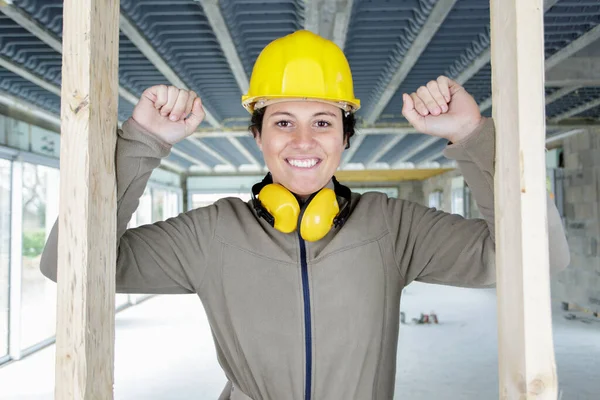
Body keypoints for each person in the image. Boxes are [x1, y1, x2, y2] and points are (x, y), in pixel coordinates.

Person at [40, 30, 570, 400]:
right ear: (257, 135)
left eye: (322, 122)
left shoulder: (393, 228)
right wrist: (142, 144)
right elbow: (69, 265)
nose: (302, 141)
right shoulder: (211, 234)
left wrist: (473, 137)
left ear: (344, 138)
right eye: (283, 122)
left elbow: (538, 256)